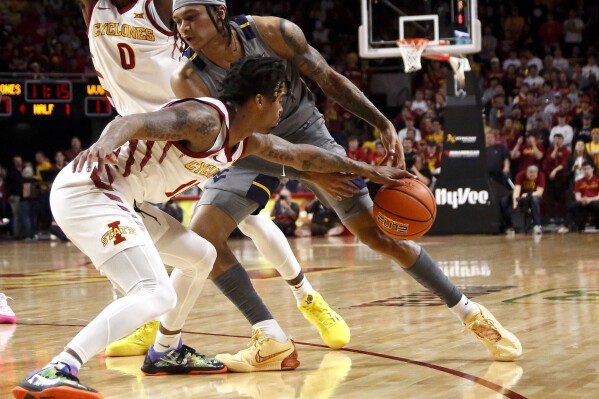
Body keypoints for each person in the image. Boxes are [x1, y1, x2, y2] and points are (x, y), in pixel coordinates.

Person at [13, 56, 413, 399]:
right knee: (154, 293)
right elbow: (134, 121)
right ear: (260, 99)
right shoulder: (205, 119)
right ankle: (59, 368)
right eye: (280, 98)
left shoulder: (247, 141)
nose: (283, 108)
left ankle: (166, 350)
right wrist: (104, 143)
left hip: (125, 199)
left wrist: (370, 171)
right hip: (91, 190)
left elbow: (301, 156)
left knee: (201, 254)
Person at [171, 0, 521, 370]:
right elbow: (231, 146)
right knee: (203, 239)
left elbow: (328, 79)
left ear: (219, 14)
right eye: (177, 21)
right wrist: (306, 173)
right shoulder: (188, 78)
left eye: (191, 17)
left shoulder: (273, 32)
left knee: (379, 236)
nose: (184, 28)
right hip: (246, 151)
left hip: (307, 136)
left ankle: (472, 314)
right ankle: (270, 336)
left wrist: (381, 122)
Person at [77, 0, 352, 359]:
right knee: (135, 226)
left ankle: (307, 296)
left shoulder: (154, 7)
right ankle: (152, 323)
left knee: (249, 220)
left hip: (192, 122)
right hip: (138, 132)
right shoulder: (95, 9)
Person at [560, 161, 599, 233]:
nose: (586, 171)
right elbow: (577, 197)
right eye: (584, 169)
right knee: (571, 206)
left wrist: (589, 200)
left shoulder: (597, 180)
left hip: (594, 201)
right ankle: (565, 226)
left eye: (588, 168)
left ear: (592, 169)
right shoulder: (579, 182)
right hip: (583, 202)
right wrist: (583, 200)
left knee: (597, 205)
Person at [511, 165, 545, 235]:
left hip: (535, 196)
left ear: (537, 173)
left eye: (534, 174)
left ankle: (537, 225)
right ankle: (515, 226)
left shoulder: (541, 176)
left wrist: (528, 195)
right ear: (526, 172)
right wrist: (515, 202)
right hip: (522, 197)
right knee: (509, 201)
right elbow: (517, 189)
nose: (532, 176)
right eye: (530, 174)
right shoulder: (520, 175)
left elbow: (540, 192)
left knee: (534, 200)